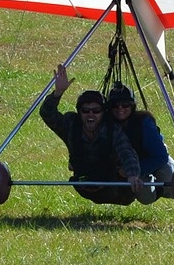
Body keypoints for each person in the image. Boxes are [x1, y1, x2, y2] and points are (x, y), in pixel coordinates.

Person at [39, 61, 141, 205]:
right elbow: (47, 113)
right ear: (79, 113)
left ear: (103, 113)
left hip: (111, 184)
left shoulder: (112, 129)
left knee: (125, 194)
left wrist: (132, 175)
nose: (90, 115)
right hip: (84, 182)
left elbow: (126, 151)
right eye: (85, 111)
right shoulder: (71, 125)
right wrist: (58, 93)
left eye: (96, 111)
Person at [105, 83, 174, 205]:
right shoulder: (107, 125)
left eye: (125, 105)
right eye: (115, 105)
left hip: (155, 157)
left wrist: (133, 172)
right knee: (146, 197)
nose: (120, 108)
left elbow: (160, 157)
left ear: (132, 106)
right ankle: (158, 189)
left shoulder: (143, 122)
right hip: (132, 163)